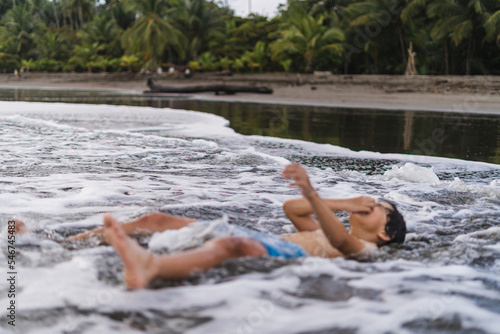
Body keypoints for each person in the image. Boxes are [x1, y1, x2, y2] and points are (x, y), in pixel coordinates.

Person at [14, 164, 406, 288]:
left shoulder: (367, 250)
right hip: (266, 238)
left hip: (280, 254)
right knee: (156, 220)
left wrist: (318, 193)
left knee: (231, 246)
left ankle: (151, 268)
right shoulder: (329, 219)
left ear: (384, 232)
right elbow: (292, 206)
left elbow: (339, 239)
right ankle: (56, 244)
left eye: (377, 208)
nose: (369, 205)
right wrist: (345, 202)